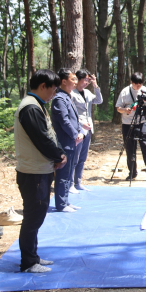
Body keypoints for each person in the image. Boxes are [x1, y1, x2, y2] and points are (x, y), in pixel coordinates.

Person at [14, 69, 67, 272]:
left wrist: (59, 153)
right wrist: (58, 156)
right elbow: (41, 139)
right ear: (42, 86)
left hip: (40, 169)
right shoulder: (30, 107)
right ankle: (28, 262)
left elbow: (49, 134)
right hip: (32, 171)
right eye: (53, 90)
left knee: (38, 214)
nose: (54, 94)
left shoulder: (38, 105)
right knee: (33, 216)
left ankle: (33, 256)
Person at [51, 68, 85, 213]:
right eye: (73, 79)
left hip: (72, 141)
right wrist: (74, 134)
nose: (76, 82)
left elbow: (73, 119)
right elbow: (64, 120)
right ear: (64, 81)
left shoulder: (67, 96)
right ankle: (61, 203)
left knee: (69, 172)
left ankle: (65, 201)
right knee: (63, 174)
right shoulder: (59, 98)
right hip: (65, 141)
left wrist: (80, 131)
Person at [115, 72, 146, 182]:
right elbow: (118, 108)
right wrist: (125, 110)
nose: (138, 86)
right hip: (128, 123)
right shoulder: (125, 91)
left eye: (140, 84)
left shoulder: (145, 90)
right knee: (130, 149)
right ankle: (132, 173)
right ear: (131, 82)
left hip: (142, 121)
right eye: (136, 84)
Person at [70, 69, 103, 192]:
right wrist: (81, 123)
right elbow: (70, 113)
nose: (86, 82)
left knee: (82, 158)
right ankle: (70, 184)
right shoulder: (71, 94)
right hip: (77, 129)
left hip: (88, 129)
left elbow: (99, 101)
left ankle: (78, 182)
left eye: (88, 80)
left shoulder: (88, 93)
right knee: (75, 157)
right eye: (85, 80)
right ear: (78, 79)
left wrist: (96, 86)